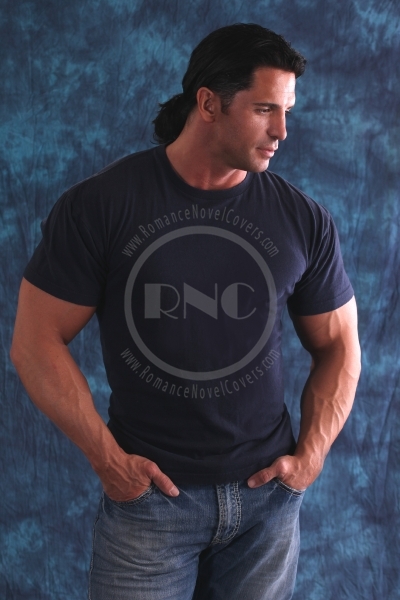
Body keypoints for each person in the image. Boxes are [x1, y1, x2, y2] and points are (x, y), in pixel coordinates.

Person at [11, 23, 361, 600]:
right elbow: (35, 340)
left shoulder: (302, 219)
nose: (282, 130)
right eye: (265, 109)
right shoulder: (102, 206)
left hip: (266, 506)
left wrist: (310, 458)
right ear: (208, 103)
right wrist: (108, 461)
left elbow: (340, 345)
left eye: (287, 111)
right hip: (151, 504)